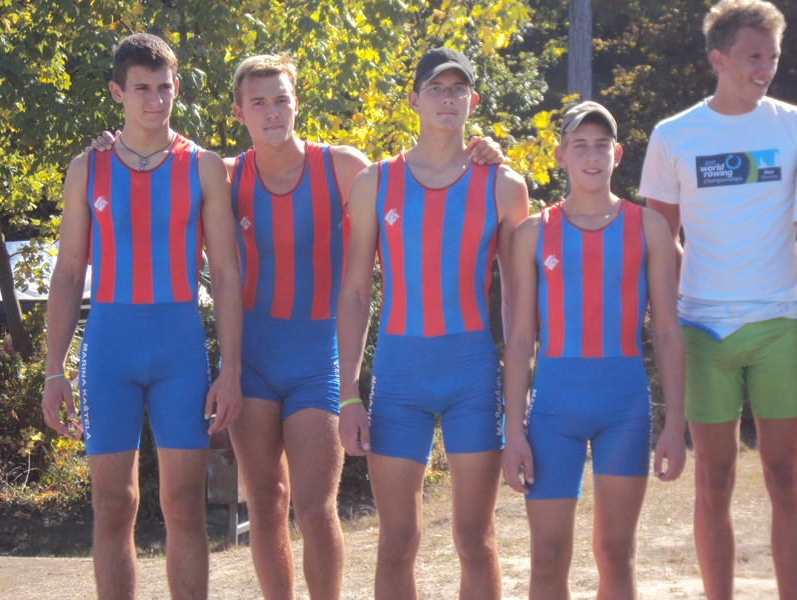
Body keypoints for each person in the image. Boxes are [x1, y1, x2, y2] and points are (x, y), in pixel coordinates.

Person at [90, 52, 505, 597]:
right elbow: (159, 170)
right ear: (239, 112)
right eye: (258, 102)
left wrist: (478, 149)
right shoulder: (225, 174)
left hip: (317, 358)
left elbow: (418, 182)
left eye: (281, 99)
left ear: (297, 103)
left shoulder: (343, 167)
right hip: (253, 359)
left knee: (313, 507)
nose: (272, 112)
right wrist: (111, 147)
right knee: (266, 501)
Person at [41, 33, 243, 599]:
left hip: (179, 348)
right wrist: (54, 370)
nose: (155, 100)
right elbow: (67, 272)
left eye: (164, 87)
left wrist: (231, 368)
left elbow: (227, 275)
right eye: (141, 89)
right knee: (113, 504)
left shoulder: (202, 166)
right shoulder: (87, 167)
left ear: (177, 87)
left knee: (184, 504)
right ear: (117, 92)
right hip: (109, 348)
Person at [337, 47, 529, 600]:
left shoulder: (503, 185)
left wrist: (518, 407)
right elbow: (354, 293)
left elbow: (520, 306)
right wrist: (348, 394)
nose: (448, 99)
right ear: (414, 99)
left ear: (473, 100)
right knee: (397, 540)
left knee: (475, 539)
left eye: (458, 89)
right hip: (399, 377)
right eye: (436, 89)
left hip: (473, 375)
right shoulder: (375, 182)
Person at [638, 1, 797, 597]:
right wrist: (692, 296)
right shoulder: (674, 136)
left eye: (772, 57)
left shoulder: (791, 127)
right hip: (703, 331)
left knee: (786, 477)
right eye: (753, 56)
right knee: (714, 479)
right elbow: (660, 240)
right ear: (718, 59)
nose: (765, 69)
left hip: (781, 324)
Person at [501, 101, 686, 599]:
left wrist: (674, 424)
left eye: (601, 145)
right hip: (553, 412)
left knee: (616, 553)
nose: (591, 156)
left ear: (617, 154)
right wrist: (513, 430)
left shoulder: (648, 227)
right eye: (579, 145)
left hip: (624, 409)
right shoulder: (533, 233)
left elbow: (668, 332)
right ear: (560, 155)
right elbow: (520, 339)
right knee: (546, 557)